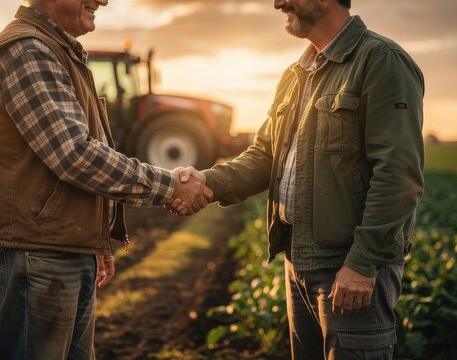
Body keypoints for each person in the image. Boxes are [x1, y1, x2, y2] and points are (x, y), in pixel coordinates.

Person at [173, 0, 424, 358]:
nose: (278, 3)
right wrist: (208, 182)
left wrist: (363, 263)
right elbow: (265, 155)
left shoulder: (381, 61)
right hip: (298, 263)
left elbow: (399, 175)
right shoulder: (295, 74)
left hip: (347, 269)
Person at [0, 0, 211, 358]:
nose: (103, 1)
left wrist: (96, 239)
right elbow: (74, 155)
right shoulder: (28, 51)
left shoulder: (57, 51)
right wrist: (169, 185)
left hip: (59, 246)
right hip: (36, 251)